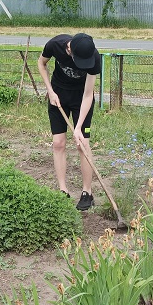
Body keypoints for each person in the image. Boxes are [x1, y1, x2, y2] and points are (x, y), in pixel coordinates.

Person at [37, 33, 102, 211]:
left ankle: (87, 192)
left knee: (82, 144)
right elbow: (41, 63)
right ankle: (62, 190)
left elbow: (88, 94)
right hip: (58, 95)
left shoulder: (94, 57)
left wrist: (79, 126)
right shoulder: (55, 45)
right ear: (69, 50)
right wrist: (50, 91)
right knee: (58, 143)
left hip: (81, 98)